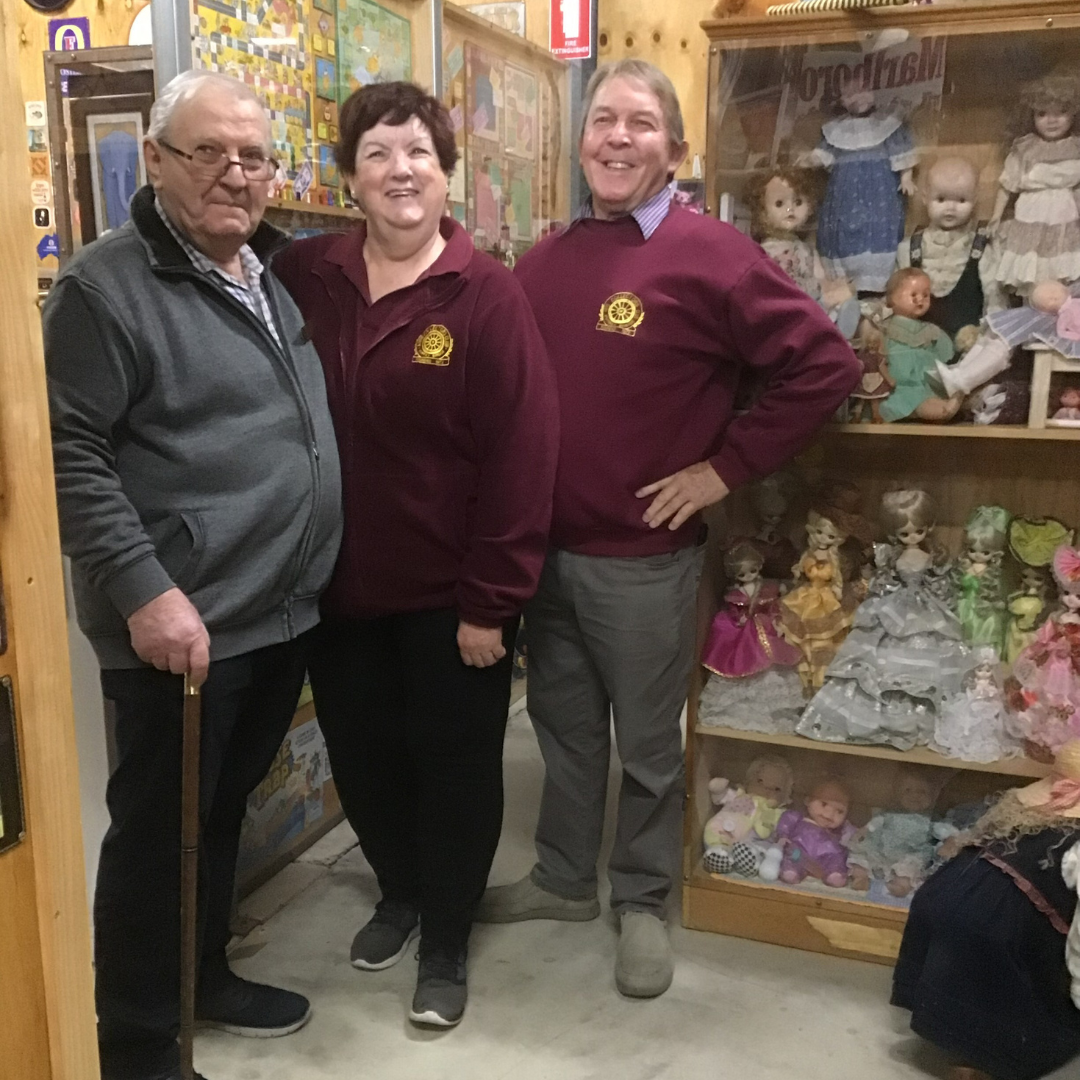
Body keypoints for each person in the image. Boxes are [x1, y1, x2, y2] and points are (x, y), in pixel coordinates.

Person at [476, 59, 861, 999]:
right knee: (567, 734)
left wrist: (723, 468)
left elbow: (826, 366)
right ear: (580, 143)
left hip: (644, 561)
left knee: (649, 751)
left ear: (676, 149)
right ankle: (565, 877)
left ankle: (642, 899)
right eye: (602, 119)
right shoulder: (546, 262)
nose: (617, 137)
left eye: (640, 123)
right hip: (545, 557)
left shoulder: (713, 255)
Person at [43, 70, 342, 1080]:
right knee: (156, 840)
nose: (235, 173)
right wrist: (146, 593)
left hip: (271, 613)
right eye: (208, 151)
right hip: (180, 626)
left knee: (216, 819)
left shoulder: (266, 271)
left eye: (253, 156)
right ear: (156, 159)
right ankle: (136, 1046)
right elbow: (67, 454)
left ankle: (201, 978)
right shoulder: (104, 288)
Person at [272, 82, 558, 1028]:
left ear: (446, 174)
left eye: (419, 154)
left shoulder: (486, 296)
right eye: (379, 154)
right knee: (363, 758)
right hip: (336, 589)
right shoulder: (305, 273)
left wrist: (492, 601)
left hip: (451, 597)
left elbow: (523, 456)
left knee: (456, 768)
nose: (401, 170)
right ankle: (399, 891)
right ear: (350, 178)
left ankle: (445, 935)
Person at [892, 740, 1080, 1080]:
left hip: (946, 895)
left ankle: (954, 1030)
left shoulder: (1018, 811)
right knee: (1015, 955)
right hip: (998, 921)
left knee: (971, 948)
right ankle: (987, 1054)